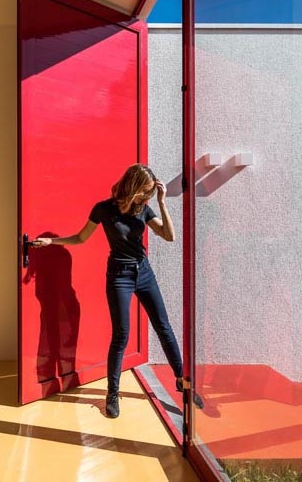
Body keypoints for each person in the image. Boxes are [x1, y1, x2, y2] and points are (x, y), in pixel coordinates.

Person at [32, 162, 200, 419]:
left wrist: (163, 203)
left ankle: (183, 382)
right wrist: (52, 241)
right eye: (144, 191)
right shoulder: (104, 209)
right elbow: (80, 238)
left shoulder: (144, 209)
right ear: (133, 187)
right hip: (118, 277)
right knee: (121, 335)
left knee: (163, 326)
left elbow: (169, 236)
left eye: (149, 193)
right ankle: (112, 394)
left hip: (144, 272)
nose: (147, 196)